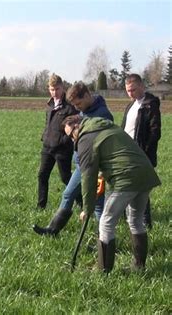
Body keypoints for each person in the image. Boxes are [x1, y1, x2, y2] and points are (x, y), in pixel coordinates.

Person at [63, 115, 160, 273]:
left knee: (106, 222)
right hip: (145, 174)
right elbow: (115, 154)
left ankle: (103, 271)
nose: (72, 140)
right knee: (135, 220)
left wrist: (87, 210)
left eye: (71, 135)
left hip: (126, 179)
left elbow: (88, 177)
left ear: (76, 126)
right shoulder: (106, 127)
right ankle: (139, 267)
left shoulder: (85, 138)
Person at [33, 81, 113, 236]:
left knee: (97, 204)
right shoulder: (86, 110)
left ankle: (102, 239)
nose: (77, 108)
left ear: (88, 96)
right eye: (75, 105)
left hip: (96, 166)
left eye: (79, 103)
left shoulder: (102, 114)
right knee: (68, 194)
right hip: (81, 165)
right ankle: (53, 230)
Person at [121, 74, 161, 229]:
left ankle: (145, 223)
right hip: (126, 154)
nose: (130, 93)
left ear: (142, 86)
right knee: (126, 187)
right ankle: (127, 218)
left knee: (141, 189)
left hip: (141, 155)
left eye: (133, 90)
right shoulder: (130, 106)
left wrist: (143, 152)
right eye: (128, 91)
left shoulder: (150, 105)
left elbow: (155, 132)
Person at [36, 74, 78, 209]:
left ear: (63, 88)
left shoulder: (70, 107)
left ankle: (83, 203)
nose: (55, 92)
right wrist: (44, 136)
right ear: (49, 89)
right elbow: (47, 123)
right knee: (42, 175)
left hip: (62, 149)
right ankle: (41, 206)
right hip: (47, 147)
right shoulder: (49, 105)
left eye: (57, 89)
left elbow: (74, 128)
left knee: (66, 178)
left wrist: (64, 140)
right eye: (52, 89)